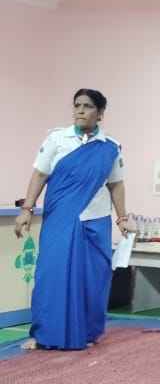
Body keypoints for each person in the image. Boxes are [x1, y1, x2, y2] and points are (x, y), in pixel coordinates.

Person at [13, 89, 134, 351]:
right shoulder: (57, 139)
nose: (80, 110)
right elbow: (39, 175)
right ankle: (45, 334)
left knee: (94, 277)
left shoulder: (110, 147)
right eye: (77, 105)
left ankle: (88, 331)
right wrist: (27, 210)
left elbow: (116, 184)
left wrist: (122, 218)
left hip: (96, 220)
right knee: (52, 274)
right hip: (60, 219)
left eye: (87, 106)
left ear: (100, 113)